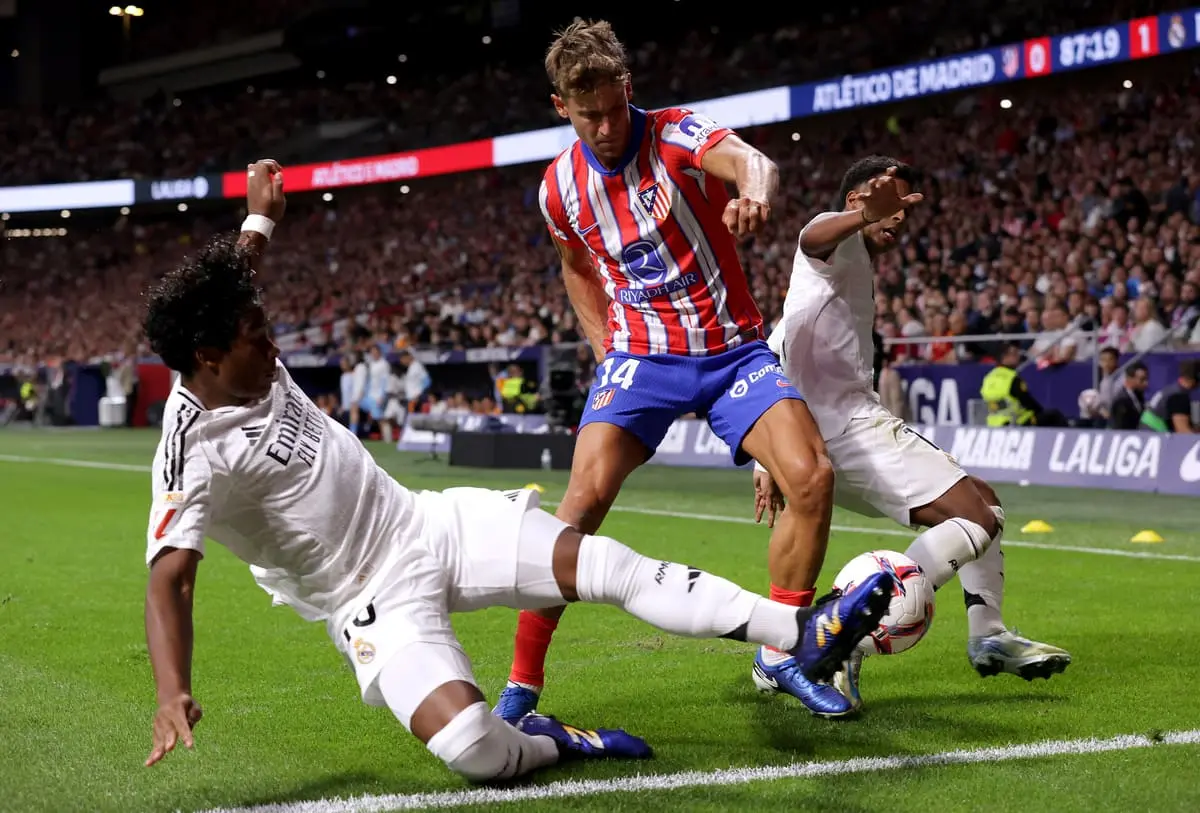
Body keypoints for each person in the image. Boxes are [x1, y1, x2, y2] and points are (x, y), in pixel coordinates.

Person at [139, 160, 895, 778]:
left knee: (605, 563)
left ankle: (800, 629)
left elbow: (238, 272)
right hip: (367, 599)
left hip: (425, 520)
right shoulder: (189, 447)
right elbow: (169, 577)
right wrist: (173, 690)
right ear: (206, 356)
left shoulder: (228, 327)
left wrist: (260, 217)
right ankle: (551, 740)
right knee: (474, 750)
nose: (272, 347)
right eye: (254, 338)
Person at [498, 17, 844, 720]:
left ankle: (778, 653)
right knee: (579, 508)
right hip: (641, 358)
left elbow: (752, 162)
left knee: (811, 477)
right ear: (562, 108)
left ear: (629, 89)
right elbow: (576, 268)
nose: (603, 126)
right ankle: (522, 685)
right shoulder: (558, 190)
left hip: (732, 351)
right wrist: (606, 349)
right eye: (586, 115)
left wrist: (754, 193)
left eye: (613, 108)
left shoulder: (676, 133)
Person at [753, 156, 1070, 713]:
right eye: (889, 203)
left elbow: (779, 339)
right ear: (857, 199)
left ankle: (987, 635)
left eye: (904, 207)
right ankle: (841, 627)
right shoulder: (839, 244)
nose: (899, 216)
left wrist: (768, 452)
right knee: (978, 516)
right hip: (852, 429)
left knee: (982, 503)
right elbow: (809, 236)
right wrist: (858, 217)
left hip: (812, 436)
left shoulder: (844, 271)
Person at [981, 343, 1066, 427]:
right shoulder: (1011, 378)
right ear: (1004, 358)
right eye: (1014, 354)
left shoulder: (988, 377)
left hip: (993, 423)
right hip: (1017, 422)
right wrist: (1040, 411)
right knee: (1054, 415)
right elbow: (1027, 401)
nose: (1018, 356)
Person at [1141, 359, 1197, 433]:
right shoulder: (1178, 396)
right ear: (1193, 380)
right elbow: (1183, 431)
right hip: (1156, 436)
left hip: (1146, 434)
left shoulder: (1171, 390)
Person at [1107, 362, 1149, 430]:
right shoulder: (1121, 401)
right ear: (1129, 379)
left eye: (1146, 379)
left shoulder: (1139, 397)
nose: (1146, 383)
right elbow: (1119, 427)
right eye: (1142, 379)